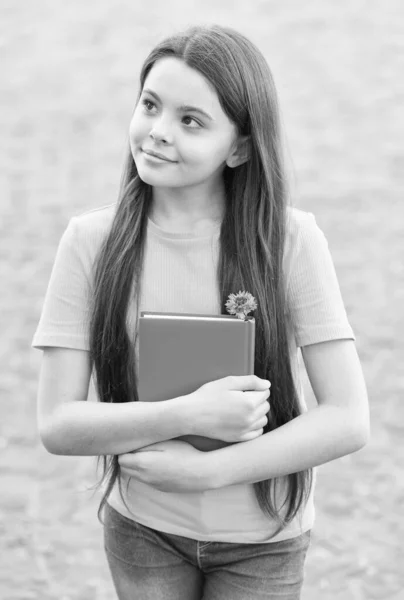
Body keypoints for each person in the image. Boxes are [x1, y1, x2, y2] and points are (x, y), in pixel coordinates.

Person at [31, 24, 370, 600]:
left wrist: (211, 472)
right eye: (150, 105)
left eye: (191, 120)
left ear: (239, 147)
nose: (158, 132)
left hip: (263, 540)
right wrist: (186, 414)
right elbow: (57, 424)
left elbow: (347, 418)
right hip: (142, 530)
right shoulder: (91, 241)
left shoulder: (289, 241)